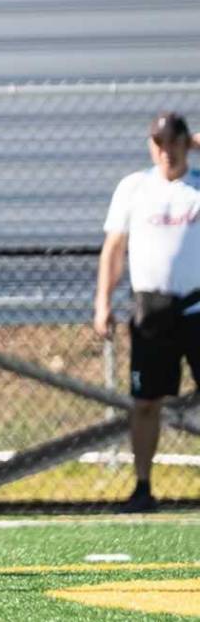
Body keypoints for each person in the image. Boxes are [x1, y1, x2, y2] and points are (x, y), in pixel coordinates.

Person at [94, 111, 200, 513]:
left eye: (173, 141)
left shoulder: (197, 186)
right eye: (158, 143)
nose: (165, 151)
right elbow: (114, 249)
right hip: (152, 311)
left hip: (196, 308)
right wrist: (103, 301)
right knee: (145, 402)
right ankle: (142, 486)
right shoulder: (134, 188)